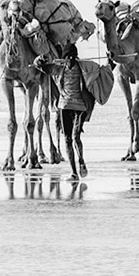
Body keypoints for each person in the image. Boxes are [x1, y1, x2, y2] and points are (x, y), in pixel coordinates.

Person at [38, 43, 92, 178]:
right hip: (64, 106)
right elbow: (42, 68)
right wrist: (39, 61)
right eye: (68, 57)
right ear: (65, 58)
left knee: (76, 137)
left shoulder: (84, 68)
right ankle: (74, 172)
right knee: (67, 139)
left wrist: (110, 61)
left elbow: (103, 70)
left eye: (73, 57)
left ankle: (81, 161)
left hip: (80, 107)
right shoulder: (58, 69)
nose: (70, 60)